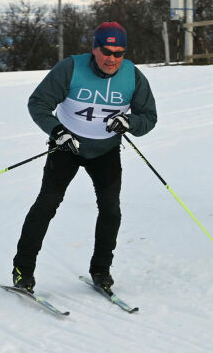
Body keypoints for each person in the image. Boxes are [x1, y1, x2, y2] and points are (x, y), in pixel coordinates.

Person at [12, 22, 157, 292]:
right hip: (68, 147)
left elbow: (149, 118)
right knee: (47, 204)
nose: (112, 58)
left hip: (105, 151)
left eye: (119, 53)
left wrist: (129, 123)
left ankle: (101, 270)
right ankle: (23, 270)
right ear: (94, 49)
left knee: (111, 210)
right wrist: (57, 131)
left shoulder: (133, 76)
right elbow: (38, 103)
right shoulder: (70, 68)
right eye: (106, 51)